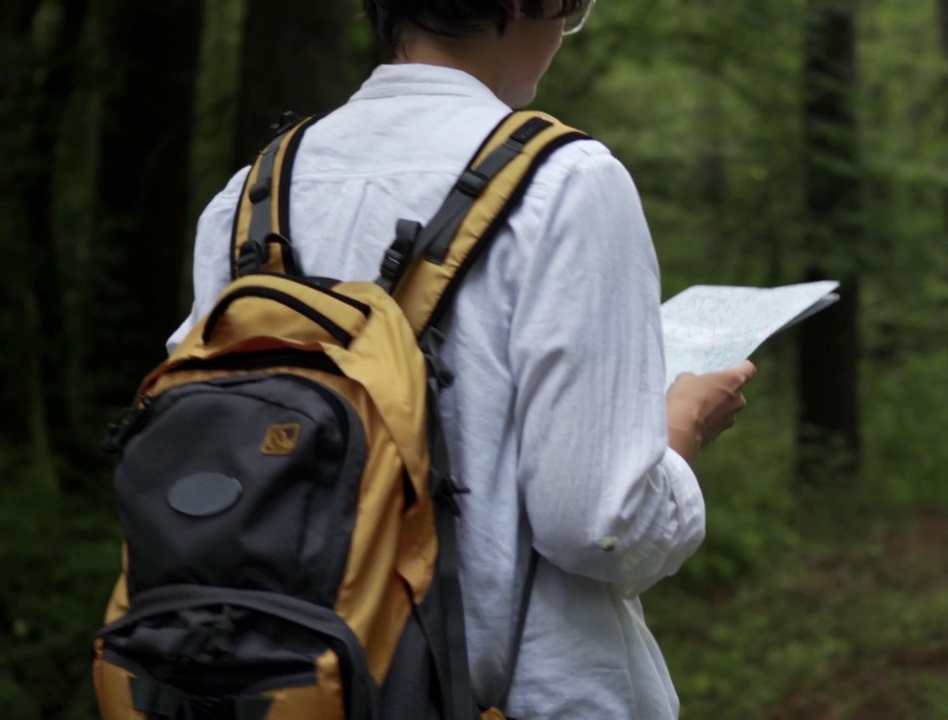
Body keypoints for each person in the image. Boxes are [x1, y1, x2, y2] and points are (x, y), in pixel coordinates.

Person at [167, 0, 757, 717]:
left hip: (279, 690)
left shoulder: (249, 197)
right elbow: (598, 526)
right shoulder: (568, 181)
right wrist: (679, 436)